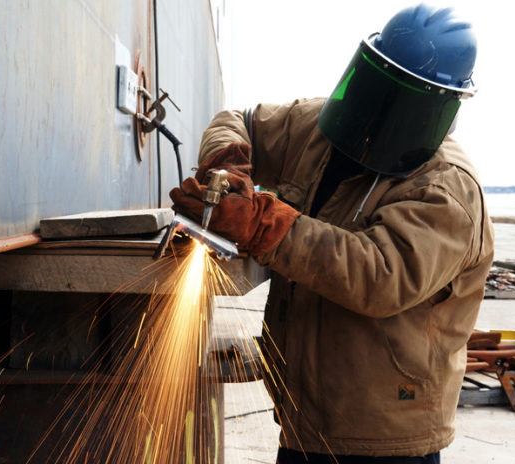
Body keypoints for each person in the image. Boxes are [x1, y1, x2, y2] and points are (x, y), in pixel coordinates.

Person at [170, 4, 494, 463]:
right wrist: (227, 159)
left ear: (438, 105)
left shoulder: (446, 189)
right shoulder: (321, 128)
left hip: (384, 437)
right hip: (304, 422)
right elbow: (238, 119)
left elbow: (379, 276)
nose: (382, 111)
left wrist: (263, 221)